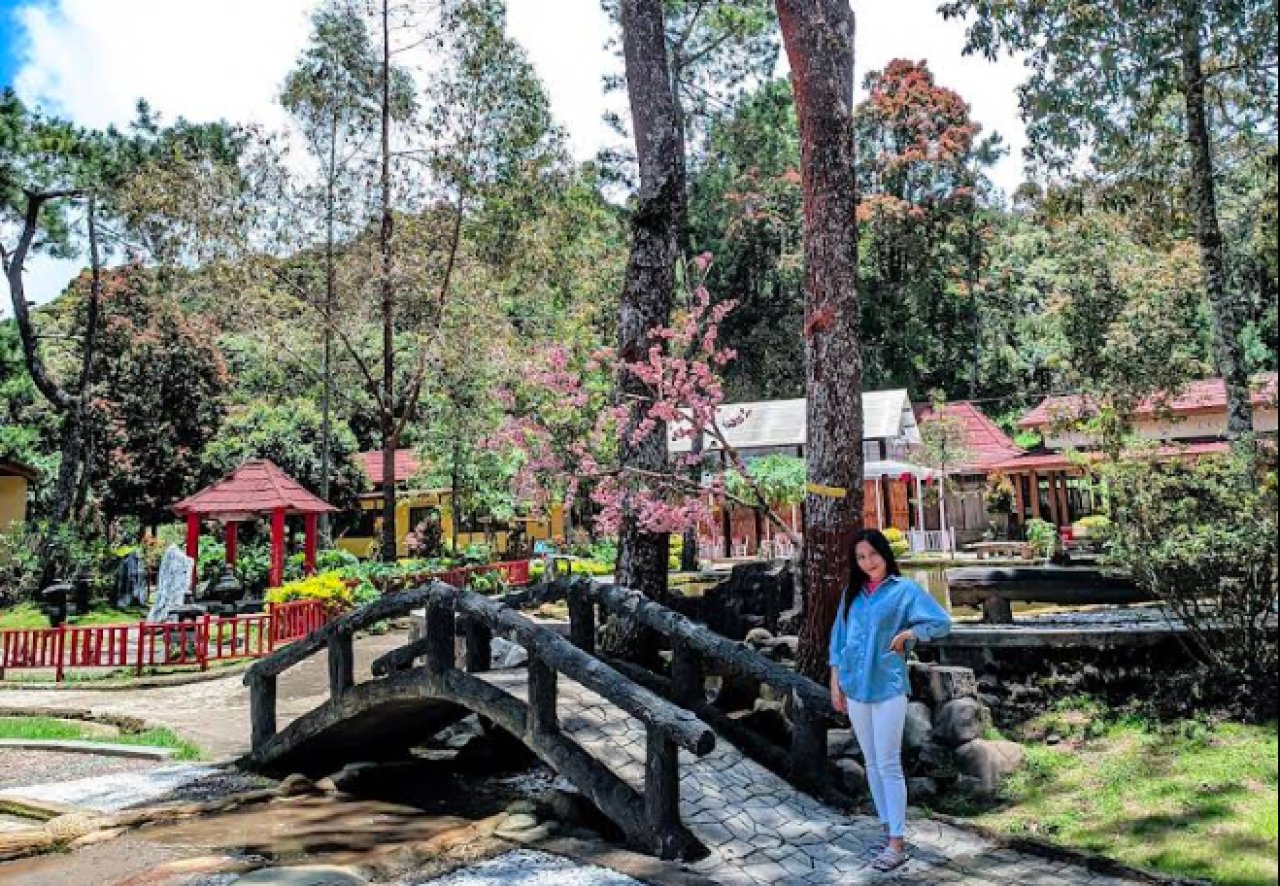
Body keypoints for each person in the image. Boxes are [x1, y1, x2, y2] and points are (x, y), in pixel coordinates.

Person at [828, 528, 952, 873]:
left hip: (888, 687)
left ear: (884, 553)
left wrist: (910, 634)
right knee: (871, 761)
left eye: (873, 555)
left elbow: (942, 622)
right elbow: (837, 641)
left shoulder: (905, 590)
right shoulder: (851, 593)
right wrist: (836, 684)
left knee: (888, 763)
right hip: (855, 688)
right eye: (861, 558)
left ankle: (897, 844)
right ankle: (887, 830)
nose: (868, 563)